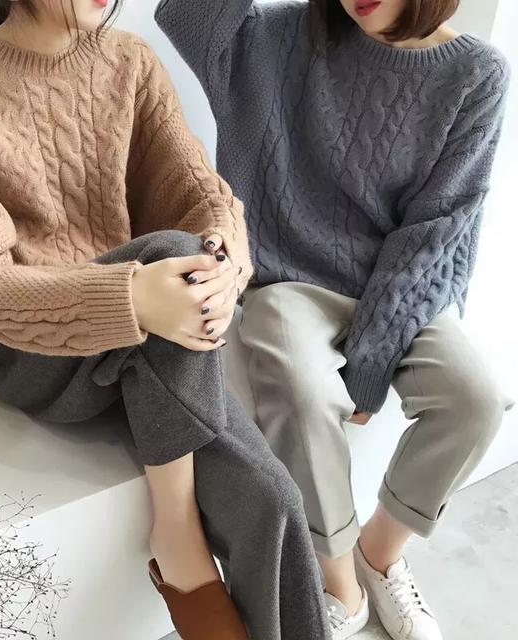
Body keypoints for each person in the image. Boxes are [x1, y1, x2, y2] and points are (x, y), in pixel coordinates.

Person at [0, 0, 333, 638]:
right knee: (170, 256)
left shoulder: (129, 60)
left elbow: (202, 197)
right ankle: (178, 538)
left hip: (144, 343)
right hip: (24, 351)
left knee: (271, 502)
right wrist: (131, 298)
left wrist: (224, 261)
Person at [155, 0, 513, 638]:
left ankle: (381, 554)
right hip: (289, 279)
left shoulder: (476, 73)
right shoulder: (275, 38)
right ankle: (340, 582)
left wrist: (373, 357)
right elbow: (185, 12)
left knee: (476, 400)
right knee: (298, 387)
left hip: (403, 282)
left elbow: (436, 228)